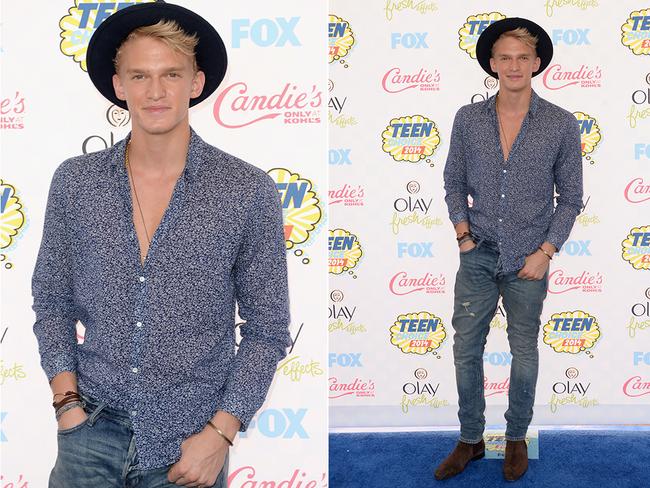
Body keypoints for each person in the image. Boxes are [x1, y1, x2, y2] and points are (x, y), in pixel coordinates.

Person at [31, 2, 290, 487]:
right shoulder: (75, 182)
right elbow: (51, 299)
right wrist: (68, 407)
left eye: (171, 74)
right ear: (118, 86)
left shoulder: (246, 189)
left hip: (191, 440)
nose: (155, 92)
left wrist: (221, 433)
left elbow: (268, 328)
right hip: (89, 431)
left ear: (196, 83)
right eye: (140, 76)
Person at [435, 17, 583, 481]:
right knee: (465, 351)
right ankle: (470, 439)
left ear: (537, 63)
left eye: (523, 57)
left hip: (528, 258)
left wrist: (546, 251)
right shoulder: (468, 118)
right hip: (477, 254)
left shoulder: (560, 123)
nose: (514, 65)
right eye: (505, 57)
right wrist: (462, 235)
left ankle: (516, 436)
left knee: (524, 351)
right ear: (492, 64)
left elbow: (571, 198)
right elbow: (453, 181)